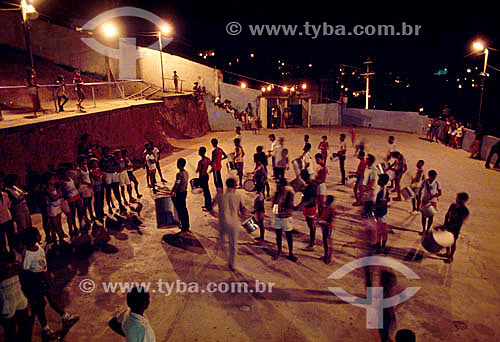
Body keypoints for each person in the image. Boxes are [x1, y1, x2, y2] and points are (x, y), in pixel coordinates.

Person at [22, 227, 79, 340]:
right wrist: (30, 287)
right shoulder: (28, 254)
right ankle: (46, 330)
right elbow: (26, 271)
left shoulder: (38, 248)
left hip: (43, 278)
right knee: (40, 305)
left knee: (52, 297)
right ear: (33, 238)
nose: (40, 235)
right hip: (35, 281)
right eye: (38, 234)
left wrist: (47, 273)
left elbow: (42, 263)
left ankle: (65, 316)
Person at [211, 178, 247, 271]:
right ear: (235, 186)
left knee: (222, 242)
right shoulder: (238, 197)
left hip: (223, 222)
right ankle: (232, 263)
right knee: (233, 244)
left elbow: (211, 207)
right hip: (234, 223)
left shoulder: (220, 196)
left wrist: (217, 215)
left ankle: (226, 258)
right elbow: (243, 211)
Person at [0, 250, 31, 342]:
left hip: (19, 297)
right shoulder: (5, 270)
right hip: (7, 302)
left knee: (24, 325)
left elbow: (23, 274)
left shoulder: (15, 266)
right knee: (10, 330)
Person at [271, 178, 297, 262]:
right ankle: (279, 251)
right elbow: (273, 204)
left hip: (286, 218)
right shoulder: (276, 193)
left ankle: (290, 253)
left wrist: (284, 214)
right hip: (278, 217)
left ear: (284, 185)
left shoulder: (289, 193)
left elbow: (291, 207)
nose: (278, 186)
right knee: (278, 235)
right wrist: (276, 213)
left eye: (279, 185)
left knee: (289, 236)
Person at [443, 192, 469, 263]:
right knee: (446, 240)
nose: (456, 199)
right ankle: (447, 253)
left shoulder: (464, 211)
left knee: (453, 242)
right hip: (448, 225)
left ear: (463, 200)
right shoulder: (453, 205)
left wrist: (451, 226)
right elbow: (447, 214)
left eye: (458, 198)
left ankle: (451, 257)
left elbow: (461, 221)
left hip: (455, 228)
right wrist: (445, 224)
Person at [296, 170, 317, 251]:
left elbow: (312, 199)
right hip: (310, 206)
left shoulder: (310, 186)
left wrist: (302, 204)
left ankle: (311, 244)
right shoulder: (310, 183)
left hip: (310, 207)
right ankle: (312, 240)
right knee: (311, 225)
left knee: (311, 225)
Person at [100, 147, 125, 213]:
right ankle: (109, 206)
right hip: (107, 174)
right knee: (108, 191)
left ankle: (120, 204)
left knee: (116, 190)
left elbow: (117, 163)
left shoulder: (112, 157)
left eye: (107, 151)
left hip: (113, 173)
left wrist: (115, 167)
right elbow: (101, 169)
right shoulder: (102, 160)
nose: (107, 153)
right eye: (105, 151)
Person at [45, 173, 67, 243]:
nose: (54, 180)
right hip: (52, 208)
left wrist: (57, 195)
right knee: (54, 224)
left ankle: (59, 236)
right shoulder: (47, 189)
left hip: (57, 206)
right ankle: (58, 238)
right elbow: (53, 198)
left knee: (58, 222)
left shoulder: (55, 186)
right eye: (52, 179)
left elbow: (60, 194)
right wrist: (57, 196)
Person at [419, 170, 441, 235]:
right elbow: (420, 190)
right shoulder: (425, 181)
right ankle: (424, 229)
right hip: (425, 200)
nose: (434, 178)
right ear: (430, 176)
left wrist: (433, 196)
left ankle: (427, 230)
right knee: (423, 216)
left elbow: (440, 193)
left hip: (433, 201)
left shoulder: (437, 183)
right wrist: (419, 198)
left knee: (431, 216)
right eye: (433, 177)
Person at [172, 158, 190, 232]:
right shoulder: (186, 172)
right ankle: (186, 224)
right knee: (184, 209)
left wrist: (172, 191)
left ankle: (183, 225)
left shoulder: (179, 174)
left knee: (180, 209)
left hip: (180, 193)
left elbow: (177, 183)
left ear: (179, 164)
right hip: (184, 192)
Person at [375, 174, 390, 253]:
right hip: (380, 213)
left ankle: (382, 247)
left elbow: (383, 203)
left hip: (382, 213)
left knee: (382, 231)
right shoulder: (382, 189)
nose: (378, 180)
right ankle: (378, 245)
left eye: (379, 179)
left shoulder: (383, 191)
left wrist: (374, 206)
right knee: (379, 230)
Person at [0, 174, 16, 252]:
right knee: (2, 241)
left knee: (11, 238)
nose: (1, 184)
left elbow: (9, 206)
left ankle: (13, 252)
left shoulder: (5, 194)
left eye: (2, 182)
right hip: (1, 221)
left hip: (8, 219)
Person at [317, 195, 335, 264]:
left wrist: (323, 222)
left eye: (326, 200)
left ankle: (329, 258)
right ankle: (325, 255)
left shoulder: (331, 209)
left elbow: (330, 220)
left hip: (328, 227)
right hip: (324, 227)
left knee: (328, 242)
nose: (325, 200)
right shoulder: (325, 207)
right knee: (324, 242)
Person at [77, 157, 95, 222]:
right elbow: (80, 180)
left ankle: (91, 215)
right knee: (85, 202)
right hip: (84, 186)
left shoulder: (86, 166)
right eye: (85, 160)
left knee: (89, 202)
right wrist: (88, 183)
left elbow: (89, 176)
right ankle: (85, 216)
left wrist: (91, 182)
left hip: (89, 185)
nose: (86, 161)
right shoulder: (79, 169)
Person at [196, 147, 212, 212]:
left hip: (202, 177)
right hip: (206, 175)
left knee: (206, 192)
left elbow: (198, 170)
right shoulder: (207, 159)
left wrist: (196, 171)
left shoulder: (200, 162)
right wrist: (209, 171)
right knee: (207, 191)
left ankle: (208, 206)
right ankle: (208, 205)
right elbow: (213, 166)